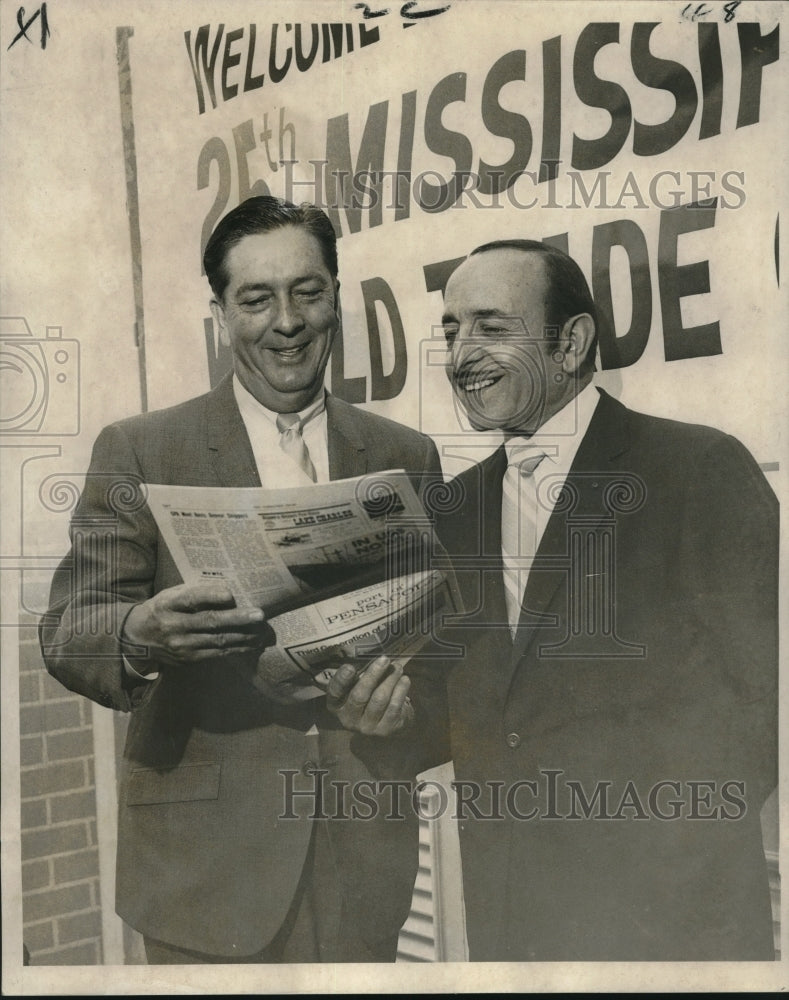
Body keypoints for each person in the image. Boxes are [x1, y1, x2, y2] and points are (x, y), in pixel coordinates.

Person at [40, 196, 445, 964]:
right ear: (221, 314)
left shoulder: (405, 455)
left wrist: (399, 709)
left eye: (308, 291)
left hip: (360, 859)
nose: (286, 321)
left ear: (336, 296)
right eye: (256, 298)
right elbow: (68, 630)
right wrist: (140, 633)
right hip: (206, 875)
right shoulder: (141, 449)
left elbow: (439, 649)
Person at [431, 239, 778, 961]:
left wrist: (665, 862)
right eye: (450, 330)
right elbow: (476, 712)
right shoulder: (454, 508)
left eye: (490, 327)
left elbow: (765, 707)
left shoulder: (697, 469)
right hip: (511, 929)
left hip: (665, 929)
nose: (461, 354)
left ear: (571, 342)